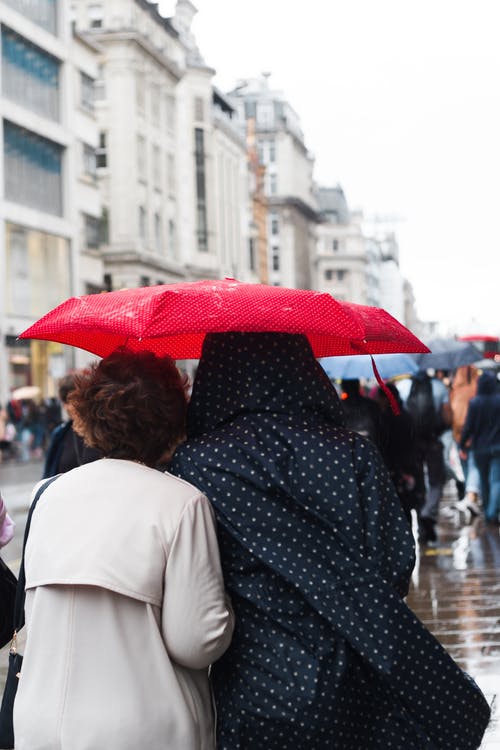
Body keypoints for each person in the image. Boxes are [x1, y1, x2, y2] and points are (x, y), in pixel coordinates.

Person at [170, 332, 490, 750]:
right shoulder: (350, 453)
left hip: (253, 690)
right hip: (352, 685)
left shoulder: (195, 462)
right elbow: (394, 564)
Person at [13, 349, 234, 750]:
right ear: (172, 420)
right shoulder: (183, 503)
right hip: (144, 725)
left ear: (87, 414)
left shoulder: (48, 495)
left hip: (38, 721)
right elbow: (196, 642)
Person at [402, 370, 451, 545]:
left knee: (419, 480)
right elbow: (447, 417)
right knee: (437, 480)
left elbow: (400, 415)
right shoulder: (439, 387)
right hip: (432, 440)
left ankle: (422, 514)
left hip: (412, 442)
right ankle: (428, 512)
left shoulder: (403, 386)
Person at [373, 382, 424, 525]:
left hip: (395, 470)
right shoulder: (406, 415)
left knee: (396, 509)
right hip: (408, 467)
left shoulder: (385, 420)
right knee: (406, 506)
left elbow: (385, 446)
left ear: (385, 399)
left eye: (380, 397)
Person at [459, 371, 500, 524]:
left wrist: (462, 445)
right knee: (496, 480)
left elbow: (468, 426)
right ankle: (492, 512)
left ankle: (488, 508)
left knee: (484, 480)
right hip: (497, 447)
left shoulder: (475, 402)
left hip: (479, 448)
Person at [43, 372, 101, 478]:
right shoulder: (60, 434)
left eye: (79, 399)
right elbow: (48, 475)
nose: (75, 405)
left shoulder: (103, 432)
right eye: (69, 401)